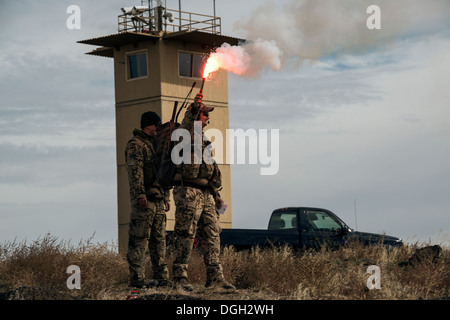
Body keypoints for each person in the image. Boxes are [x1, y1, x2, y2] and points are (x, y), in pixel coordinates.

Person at [171, 93, 235, 292]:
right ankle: (179, 277)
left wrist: (215, 194)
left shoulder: (204, 139)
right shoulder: (184, 134)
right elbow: (186, 126)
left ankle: (215, 279)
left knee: (212, 234)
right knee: (185, 233)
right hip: (188, 191)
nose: (208, 118)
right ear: (197, 115)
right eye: (205, 114)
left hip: (206, 193)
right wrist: (193, 110)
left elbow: (209, 169)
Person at [125, 111, 172, 288]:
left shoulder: (154, 145)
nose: (158, 130)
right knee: (139, 239)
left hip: (158, 200)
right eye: (156, 126)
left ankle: (162, 278)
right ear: (149, 125)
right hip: (145, 201)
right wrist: (140, 195)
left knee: (159, 241)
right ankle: (137, 278)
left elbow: (163, 172)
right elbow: (134, 172)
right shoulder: (135, 145)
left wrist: (166, 196)